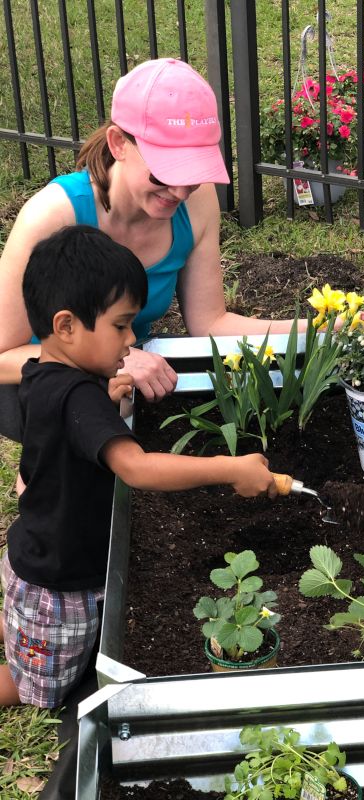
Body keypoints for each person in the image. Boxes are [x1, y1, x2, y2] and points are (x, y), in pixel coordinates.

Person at [0, 56, 364, 440]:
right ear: (119, 143)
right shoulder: (52, 216)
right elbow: (2, 358)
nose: (181, 192)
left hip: (128, 372)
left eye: (193, 174)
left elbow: (211, 324)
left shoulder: (194, 205)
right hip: (39, 382)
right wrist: (108, 362)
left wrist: (317, 330)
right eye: (166, 172)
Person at [0, 225, 277, 708]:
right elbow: (137, 469)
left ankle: (16, 618)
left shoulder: (43, 374)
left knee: (30, 628)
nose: (132, 339)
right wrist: (229, 469)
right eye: (121, 325)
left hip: (46, 556)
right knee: (37, 690)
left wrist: (104, 399)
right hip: (58, 587)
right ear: (66, 326)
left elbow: (60, 430)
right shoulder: (78, 397)